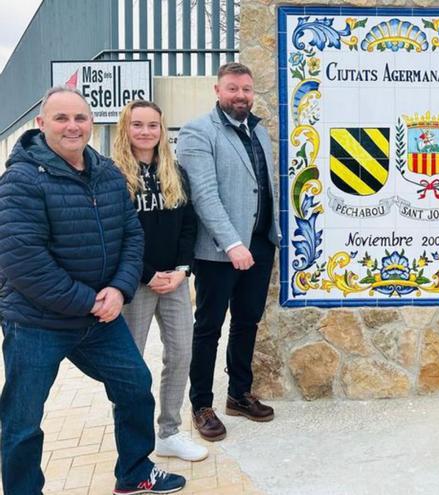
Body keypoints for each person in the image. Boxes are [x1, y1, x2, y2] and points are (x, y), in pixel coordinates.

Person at [0, 87, 185, 494]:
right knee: (22, 420)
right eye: (61, 118)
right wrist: (90, 301)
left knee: (136, 387)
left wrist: (119, 290)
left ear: (91, 122)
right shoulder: (21, 178)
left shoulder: (105, 172)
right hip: (37, 323)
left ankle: (135, 472)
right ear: (41, 124)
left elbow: (131, 236)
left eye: (80, 118)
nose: (72, 126)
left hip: (100, 318)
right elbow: (23, 260)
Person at [177, 62, 280, 441]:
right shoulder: (197, 132)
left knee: (247, 322)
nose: (241, 96)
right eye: (233, 89)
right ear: (218, 91)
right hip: (219, 251)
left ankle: (239, 394)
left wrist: (267, 236)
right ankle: (201, 404)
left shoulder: (259, 131)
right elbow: (204, 195)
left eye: (247, 90)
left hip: (260, 244)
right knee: (208, 328)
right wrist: (233, 243)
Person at [112, 100, 208, 461]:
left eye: (153, 125)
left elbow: (188, 224)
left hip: (175, 280)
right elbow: (115, 234)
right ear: (126, 127)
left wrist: (182, 270)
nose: (146, 132)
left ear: (162, 130)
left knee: (181, 353)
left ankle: (169, 432)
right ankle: (134, 443)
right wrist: (148, 273)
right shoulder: (113, 174)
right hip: (135, 282)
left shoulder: (174, 170)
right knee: (132, 365)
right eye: (138, 124)